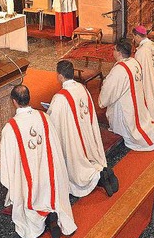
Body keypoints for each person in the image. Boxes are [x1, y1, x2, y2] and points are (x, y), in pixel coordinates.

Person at [0, 85, 77, 238]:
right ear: (29, 98)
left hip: (28, 181)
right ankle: (52, 212)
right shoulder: (43, 117)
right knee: (49, 189)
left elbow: (6, 157)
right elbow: (55, 145)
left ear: (14, 102)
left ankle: (41, 216)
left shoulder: (10, 128)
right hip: (48, 175)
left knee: (26, 196)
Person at [48, 60, 118, 198]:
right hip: (85, 132)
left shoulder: (60, 98)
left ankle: (96, 176)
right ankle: (100, 170)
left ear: (60, 76)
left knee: (77, 165)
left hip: (73, 135)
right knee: (87, 155)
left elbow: (53, 120)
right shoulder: (82, 88)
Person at [98, 39, 154, 151]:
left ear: (119, 53)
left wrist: (103, 92)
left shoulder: (119, 70)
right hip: (137, 101)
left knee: (128, 125)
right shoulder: (134, 62)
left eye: (114, 50)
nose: (113, 52)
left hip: (126, 108)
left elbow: (109, 91)